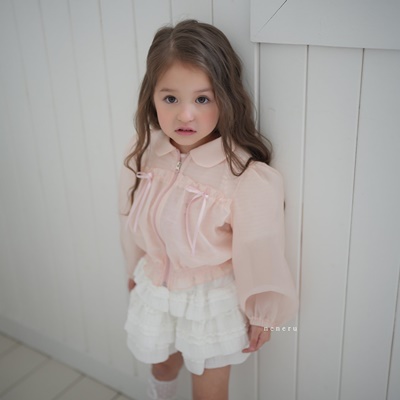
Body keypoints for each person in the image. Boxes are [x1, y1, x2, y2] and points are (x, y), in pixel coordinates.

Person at [119, 19, 298, 400]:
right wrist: (133, 270)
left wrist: (263, 314)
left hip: (209, 300)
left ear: (225, 98)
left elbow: (260, 250)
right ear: (152, 97)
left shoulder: (244, 176)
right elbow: (130, 216)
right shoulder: (145, 153)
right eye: (171, 99)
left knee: (209, 392)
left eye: (202, 99)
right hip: (155, 288)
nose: (185, 115)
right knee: (161, 365)